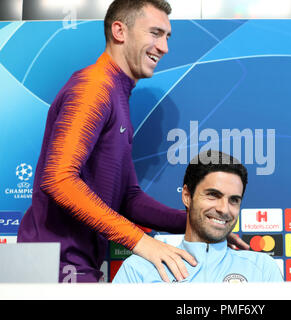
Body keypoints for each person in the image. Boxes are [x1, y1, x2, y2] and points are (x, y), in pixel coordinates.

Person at [17, 0, 247, 283]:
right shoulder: (94, 88)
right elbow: (59, 180)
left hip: (74, 266)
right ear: (119, 31)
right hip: (49, 268)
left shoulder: (117, 94)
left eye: (166, 37)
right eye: (155, 33)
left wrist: (195, 223)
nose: (164, 47)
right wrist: (142, 242)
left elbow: (127, 197)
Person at [113, 150, 283, 283]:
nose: (224, 209)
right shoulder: (138, 269)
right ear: (187, 196)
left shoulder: (262, 268)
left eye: (234, 200)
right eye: (213, 195)